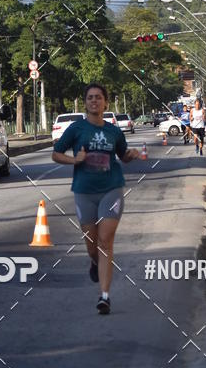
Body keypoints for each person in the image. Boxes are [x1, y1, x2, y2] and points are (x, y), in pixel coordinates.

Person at [52, 83, 140, 314]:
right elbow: (56, 153)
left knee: (105, 241)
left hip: (112, 188)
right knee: (92, 245)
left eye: (99, 97)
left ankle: (104, 296)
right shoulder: (76, 129)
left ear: (105, 103)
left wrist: (131, 154)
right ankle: (94, 262)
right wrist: (75, 161)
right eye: (90, 98)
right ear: (85, 102)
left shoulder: (113, 131)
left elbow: (123, 155)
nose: (94, 101)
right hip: (84, 191)